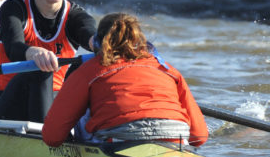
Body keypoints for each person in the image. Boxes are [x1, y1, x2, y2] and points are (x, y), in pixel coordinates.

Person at [42, 12, 208, 148]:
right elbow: (199, 137)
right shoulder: (168, 70)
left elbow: (52, 137)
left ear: (99, 43)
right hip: (177, 138)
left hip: (120, 139)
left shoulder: (88, 71)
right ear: (140, 42)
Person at [0, 0, 96, 123]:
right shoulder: (14, 8)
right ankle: (46, 140)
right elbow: (13, 47)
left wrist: (108, 44)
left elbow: (91, 35)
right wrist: (33, 52)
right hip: (9, 106)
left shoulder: (76, 16)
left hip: (53, 105)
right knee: (40, 68)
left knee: (93, 65)